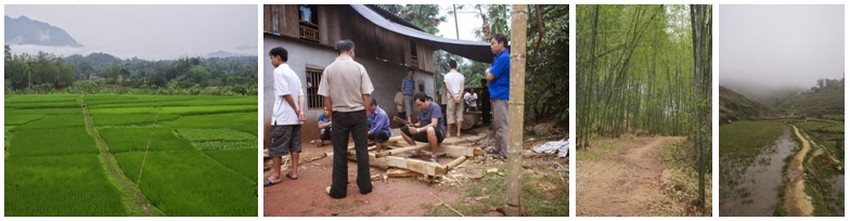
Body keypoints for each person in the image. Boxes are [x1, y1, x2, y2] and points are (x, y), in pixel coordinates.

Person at [318, 39, 374, 198]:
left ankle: (339, 190)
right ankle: (365, 186)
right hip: (358, 114)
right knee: (362, 150)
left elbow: (326, 98)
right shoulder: (359, 68)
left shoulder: (328, 70)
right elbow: (366, 95)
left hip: (339, 115)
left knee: (340, 152)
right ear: (351, 50)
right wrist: (365, 115)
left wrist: (332, 113)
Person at [265, 46, 305, 187]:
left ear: (278, 58)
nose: (271, 61)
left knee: (276, 146)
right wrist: (300, 110)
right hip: (295, 119)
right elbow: (301, 94)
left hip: (282, 117)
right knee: (295, 144)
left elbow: (286, 93)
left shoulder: (278, 71)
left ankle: (276, 175)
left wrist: (295, 109)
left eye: (272, 58)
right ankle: (294, 172)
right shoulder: (294, 74)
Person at [400, 92, 445, 163]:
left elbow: (434, 124)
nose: (419, 107)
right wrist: (413, 125)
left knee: (430, 129)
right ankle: (418, 152)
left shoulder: (435, 107)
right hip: (427, 133)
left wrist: (418, 130)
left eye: (420, 104)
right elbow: (420, 123)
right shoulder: (421, 110)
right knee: (403, 130)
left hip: (438, 134)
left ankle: (434, 156)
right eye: (417, 106)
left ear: (426, 100)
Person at [486, 34, 510, 159]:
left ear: (501, 43)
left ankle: (505, 152)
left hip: (501, 94)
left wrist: (488, 71)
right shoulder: (499, 58)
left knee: (502, 124)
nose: (491, 46)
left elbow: (490, 75)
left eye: (493, 43)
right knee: (497, 124)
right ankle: (499, 148)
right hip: (497, 95)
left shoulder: (504, 58)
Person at [443, 60, 465, 137]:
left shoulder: (446, 76)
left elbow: (447, 87)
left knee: (450, 114)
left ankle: (448, 133)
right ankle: (458, 133)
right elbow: (462, 88)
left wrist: (453, 96)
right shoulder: (461, 76)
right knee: (459, 113)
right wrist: (458, 96)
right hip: (460, 97)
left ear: (449, 66)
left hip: (451, 97)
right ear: (456, 66)